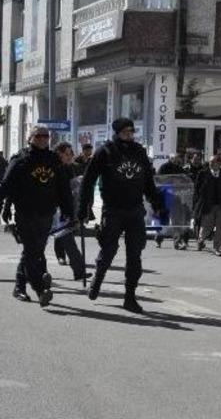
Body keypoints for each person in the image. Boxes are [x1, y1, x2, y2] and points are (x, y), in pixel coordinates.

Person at [77, 118, 165, 314]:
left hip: (134, 210)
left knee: (135, 255)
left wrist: (157, 203)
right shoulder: (105, 152)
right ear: (117, 133)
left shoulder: (139, 152)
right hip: (113, 209)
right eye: (126, 132)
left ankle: (130, 297)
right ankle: (97, 280)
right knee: (108, 250)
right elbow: (88, 181)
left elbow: (148, 182)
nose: (129, 135)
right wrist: (84, 208)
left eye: (131, 131)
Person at [0, 127, 73, 307]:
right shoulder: (21, 159)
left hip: (46, 213)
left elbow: (63, 188)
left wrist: (69, 211)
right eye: (39, 136)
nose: (43, 139)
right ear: (30, 138)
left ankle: (19, 286)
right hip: (25, 213)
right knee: (30, 252)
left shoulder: (53, 160)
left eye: (46, 136)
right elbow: (5, 187)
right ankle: (39, 289)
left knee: (35, 252)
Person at [49, 142, 92, 282]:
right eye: (67, 154)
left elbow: (71, 190)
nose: (69, 157)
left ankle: (79, 271)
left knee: (69, 241)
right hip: (51, 209)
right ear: (59, 153)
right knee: (38, 245)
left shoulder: (70, 168)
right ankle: (29, 272)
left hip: (64, 209)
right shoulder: (53, 168)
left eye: (71, 154)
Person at [194, 155, 221, 256]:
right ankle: (201, 240)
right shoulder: (202, 174)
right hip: (207, 205)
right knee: (206, 226)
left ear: (219, 164)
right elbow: (197, 190)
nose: (210, 164)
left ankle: (217, 248)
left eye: (213, 162)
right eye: (210, 162)